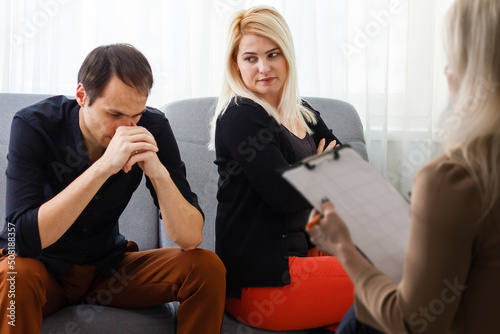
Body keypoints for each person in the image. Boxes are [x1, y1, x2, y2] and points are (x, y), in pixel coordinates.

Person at [0, 43, 226, 334]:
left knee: (206, 267)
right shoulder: (34, 125)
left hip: (106, 269)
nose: (127, 128)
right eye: (115, 114)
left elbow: (191, 237)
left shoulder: (152, 126)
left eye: (136, 115)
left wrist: (157, 172)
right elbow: (21, 238)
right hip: (41, 270)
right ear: (82, 96)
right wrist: (104, 166)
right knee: (14, 275)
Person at [307, 0, 500, 333]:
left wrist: (343, 248)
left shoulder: (452, 178)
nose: (446, 71)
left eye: (452, 57)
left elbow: (412, 323)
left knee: (360, 319)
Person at [209, 5, 353, 332]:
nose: (263, 67)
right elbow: (283, 196)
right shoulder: (240, 115)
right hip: (265, 280)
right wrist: (322, 167)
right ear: (236, 64)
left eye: (273, 54)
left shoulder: (303, 112)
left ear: (287, 55)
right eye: (251, 58)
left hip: (304, 257)